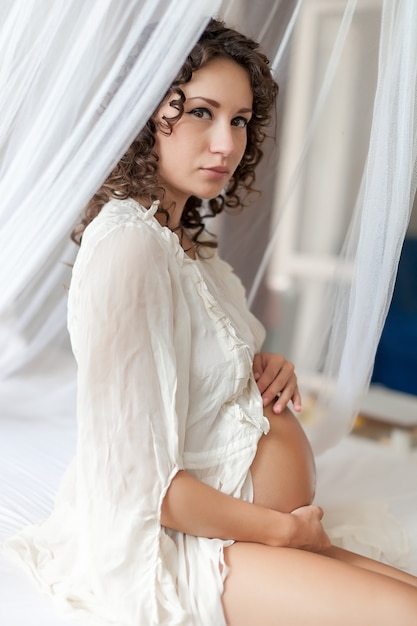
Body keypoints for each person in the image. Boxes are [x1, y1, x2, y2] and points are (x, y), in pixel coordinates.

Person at [8, 17, 417, 626]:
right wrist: (281, 531)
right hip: (179, 548)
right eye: (201, 112)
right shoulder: (128, 247)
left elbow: (211, 373)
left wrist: (269, 364)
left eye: (241, 120)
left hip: (246, 529)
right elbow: (141, 488)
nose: (228, 143)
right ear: (148, 116)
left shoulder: (188, 247)